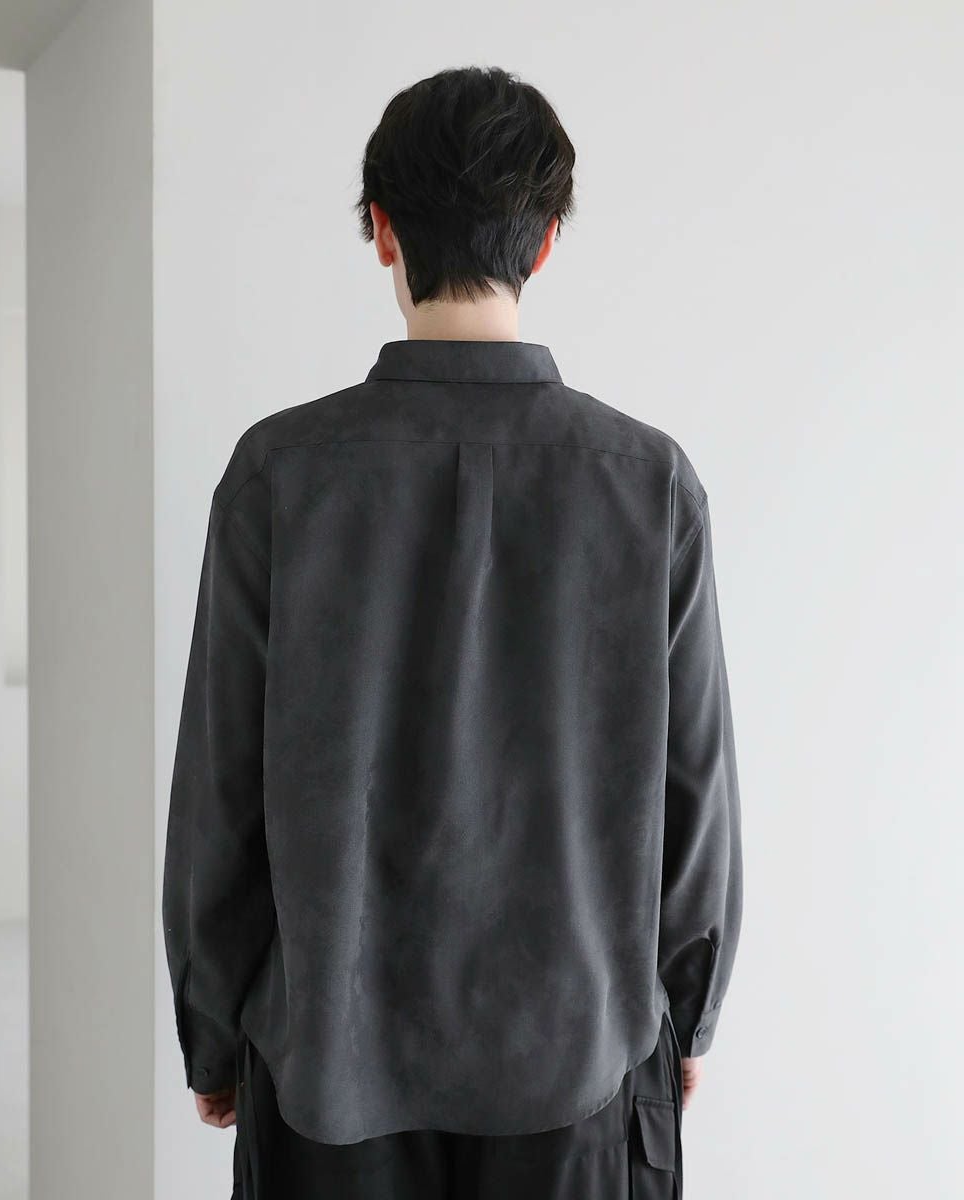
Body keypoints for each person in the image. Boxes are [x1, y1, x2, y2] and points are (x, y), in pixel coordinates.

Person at [162, 64, 743, 1199]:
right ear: (546, 242)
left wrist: (214, 1026)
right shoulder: (647, 481)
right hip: (581, 1066)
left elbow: (220, 787)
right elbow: (696, 788)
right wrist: (689, 1009)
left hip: (327, 1069)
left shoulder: (280, 474)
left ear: (381, 229)